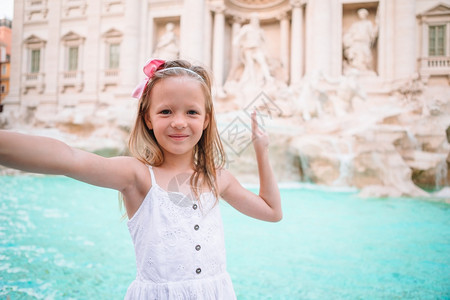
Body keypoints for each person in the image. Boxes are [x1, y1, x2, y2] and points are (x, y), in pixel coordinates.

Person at [0, 59, 282, 299]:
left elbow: (271, 211)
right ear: (148, 118)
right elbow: (69, 158)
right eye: (166, 111)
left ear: (206, 119)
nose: (179, 122)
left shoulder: (218, 179)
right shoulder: (137, 176)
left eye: (192, 112)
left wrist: (261, 150)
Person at [232, 13, 273, 85]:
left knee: (262, 62)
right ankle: (253, 82)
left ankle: (268, 77)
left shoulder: (260, 30)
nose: (255, 21)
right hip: (248, 49)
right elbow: (239, 36)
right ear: (251, 20)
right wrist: (236, 42)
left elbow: (265, 42)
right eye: (254, 19)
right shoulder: (247, 28)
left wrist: (266, 52)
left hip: (257, 48)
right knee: (250, 65)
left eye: (257, 19)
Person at [342, 8, 378, 75]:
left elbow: (372, 34)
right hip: (356, 43)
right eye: (361, 14)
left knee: (366, 56)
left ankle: (365, 69)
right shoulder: (356, 25)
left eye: (363, 14)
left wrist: (376, 27)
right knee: (357, 57)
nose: (362, 15)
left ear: (366, 15)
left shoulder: (368, 24)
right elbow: (350, 34)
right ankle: (358, 70)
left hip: (365, 42)